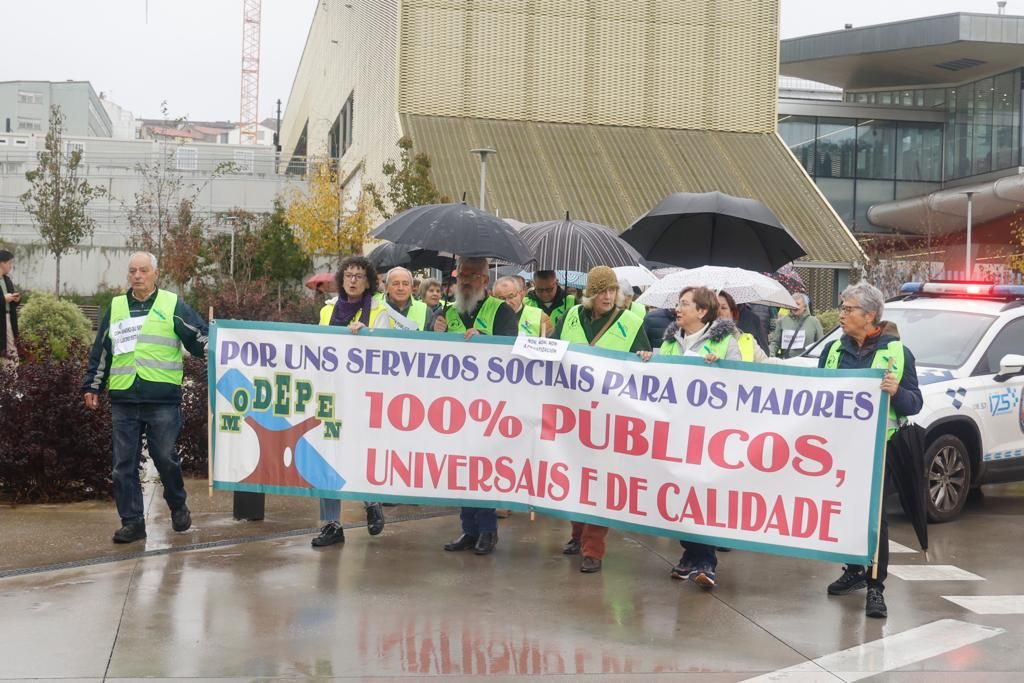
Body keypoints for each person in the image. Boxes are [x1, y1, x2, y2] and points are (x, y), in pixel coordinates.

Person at [81, 252, 208, 544]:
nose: (137, 275)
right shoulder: (116, 307)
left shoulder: (171, 304)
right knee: (123, 465)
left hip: (162, 398)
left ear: (155, 273)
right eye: (132, 271)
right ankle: (133, 522)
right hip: (125, 398)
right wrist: (93, 385)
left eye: (143, 270)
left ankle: (177, 504)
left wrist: (221, 345)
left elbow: (198, 337)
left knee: (165, 458)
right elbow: (102, 350)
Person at [820, 281, 922, 619]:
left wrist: (896, 392)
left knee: (875, 519)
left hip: (881, 448)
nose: (842, 314)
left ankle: (876, 587)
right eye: (843, 308)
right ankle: (854, 571)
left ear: (870, 315)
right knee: (846, 512)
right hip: (840, 445)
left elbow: (914, 404)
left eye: (848, 309)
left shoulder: (898, 353)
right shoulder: (834, 351)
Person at [554, 266, 651, 573]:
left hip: (611, 417)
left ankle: (593, 550)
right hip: (572, 412)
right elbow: (552, 351)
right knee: (574, 475)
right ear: (590, 294)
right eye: (601, 291)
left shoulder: (632, 322)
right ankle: (577, 534)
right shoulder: (569, 318)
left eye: (612, 290)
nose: (608, 296)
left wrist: (646, 358)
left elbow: (645, 367)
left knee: (599, 482)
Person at [643, 286, 740, 588]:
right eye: (679, 304)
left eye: (685, 304)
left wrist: (721, 369)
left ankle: (705, 560)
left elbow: (744, 381)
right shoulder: (672, 341)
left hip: (710, 434)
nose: (678, 309)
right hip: (676, 431)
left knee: (702, 496)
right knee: (679, 494)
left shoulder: (725, 342)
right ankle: (689, 555)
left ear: (702, 311)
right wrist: (648, 360)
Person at [434, 256, 518, 555]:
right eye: (462, 275)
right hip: (455, 403)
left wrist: (486, 340)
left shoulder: (501, 311)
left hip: (488, 403)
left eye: (472, 275)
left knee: (482, 466)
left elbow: (512, 348)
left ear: (485, 279)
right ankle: (468, 529)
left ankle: (487, 531)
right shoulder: (446, 312)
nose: (466, 280)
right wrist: (436, 334)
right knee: (461, 468)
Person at [312, 256, 388, 547]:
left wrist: (364, 337)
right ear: (342, 280)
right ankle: (332, 524)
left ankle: (371, 502)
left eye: (360, 276)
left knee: (359, 451)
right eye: (349, 275)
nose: (353, 280)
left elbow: (387, 351)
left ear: (368, 281)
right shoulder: (327, 310)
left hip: (363, 394)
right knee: (327, 457)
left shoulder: (380, 311)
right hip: (331, 392)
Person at [716, 291, 772, 362]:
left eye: (723, 308)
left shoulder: (748, 340)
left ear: (732, 312)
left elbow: (765, 363)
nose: (719, 312)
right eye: (715, 308)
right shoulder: (703, 338)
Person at [375, 267, 435, 331]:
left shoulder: (426, 311)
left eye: (405, 284)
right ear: (386, 287)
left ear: (411, 288)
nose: (401, 288)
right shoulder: (374, 306)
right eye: (396, 284)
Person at [770, 292, 824, 358]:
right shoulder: (782, 321)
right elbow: (775, 343)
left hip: (806, 362)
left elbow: (821, 343)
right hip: (787, 361)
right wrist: (771, 353)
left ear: (805, 307)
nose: (795, 307)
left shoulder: (814, 322)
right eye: (793, 304)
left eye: (797, 304)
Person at [0, 249, 20, 365]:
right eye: (9, 263)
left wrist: (15, 299)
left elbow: (10, 301)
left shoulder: (7, 280)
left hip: (8, 319)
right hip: (2, 320)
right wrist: (4, 299)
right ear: (2, 263)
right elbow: (3, 299)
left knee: (10, 349)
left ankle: (11, 379)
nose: (11, 266)